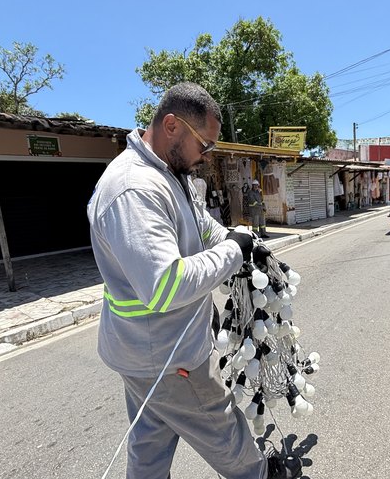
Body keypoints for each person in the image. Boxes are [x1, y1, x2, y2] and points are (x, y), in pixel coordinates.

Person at [87, 82, 300, 479]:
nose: (206, 156)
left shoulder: (168, 174)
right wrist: (233, 251)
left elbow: (202, 227)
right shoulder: (134, 189)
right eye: (204, 144)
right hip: (166, 356)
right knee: (221, 427)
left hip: (143, 352)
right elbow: (166, 285)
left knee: (150, 440)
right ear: (172, 125)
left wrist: (238, 241)